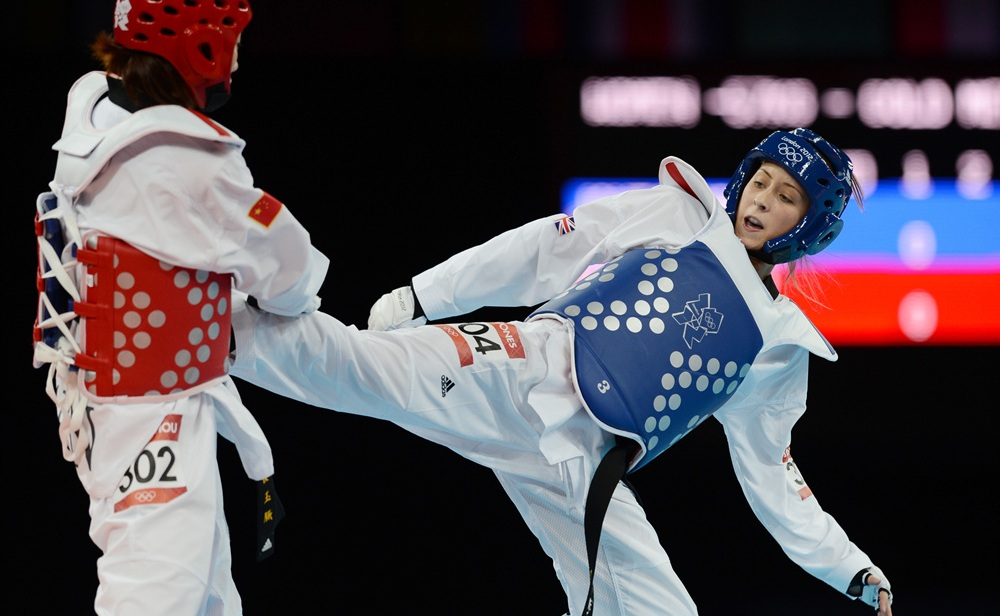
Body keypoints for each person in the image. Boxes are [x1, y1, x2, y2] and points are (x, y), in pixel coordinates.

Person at [227, 128, 893, 615]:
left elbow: (773, 473)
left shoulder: (777, 346)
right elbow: (543, 248)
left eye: (786, 197)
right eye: (762, 181)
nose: (763, 200)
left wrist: (850, 569)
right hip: (528, 365)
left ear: (809, 229)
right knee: (360, 368)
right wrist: (426, 295)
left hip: (584, 466)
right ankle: (217, 327)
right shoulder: (679, 215)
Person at [32, 1, 328, 614]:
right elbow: (291, 273)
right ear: (202, 50)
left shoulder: (95, 112)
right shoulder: (189, 163)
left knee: (210, 600)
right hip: (154, 418)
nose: (239, 57)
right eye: (232, 40)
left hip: (115, 406)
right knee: (158, 597)